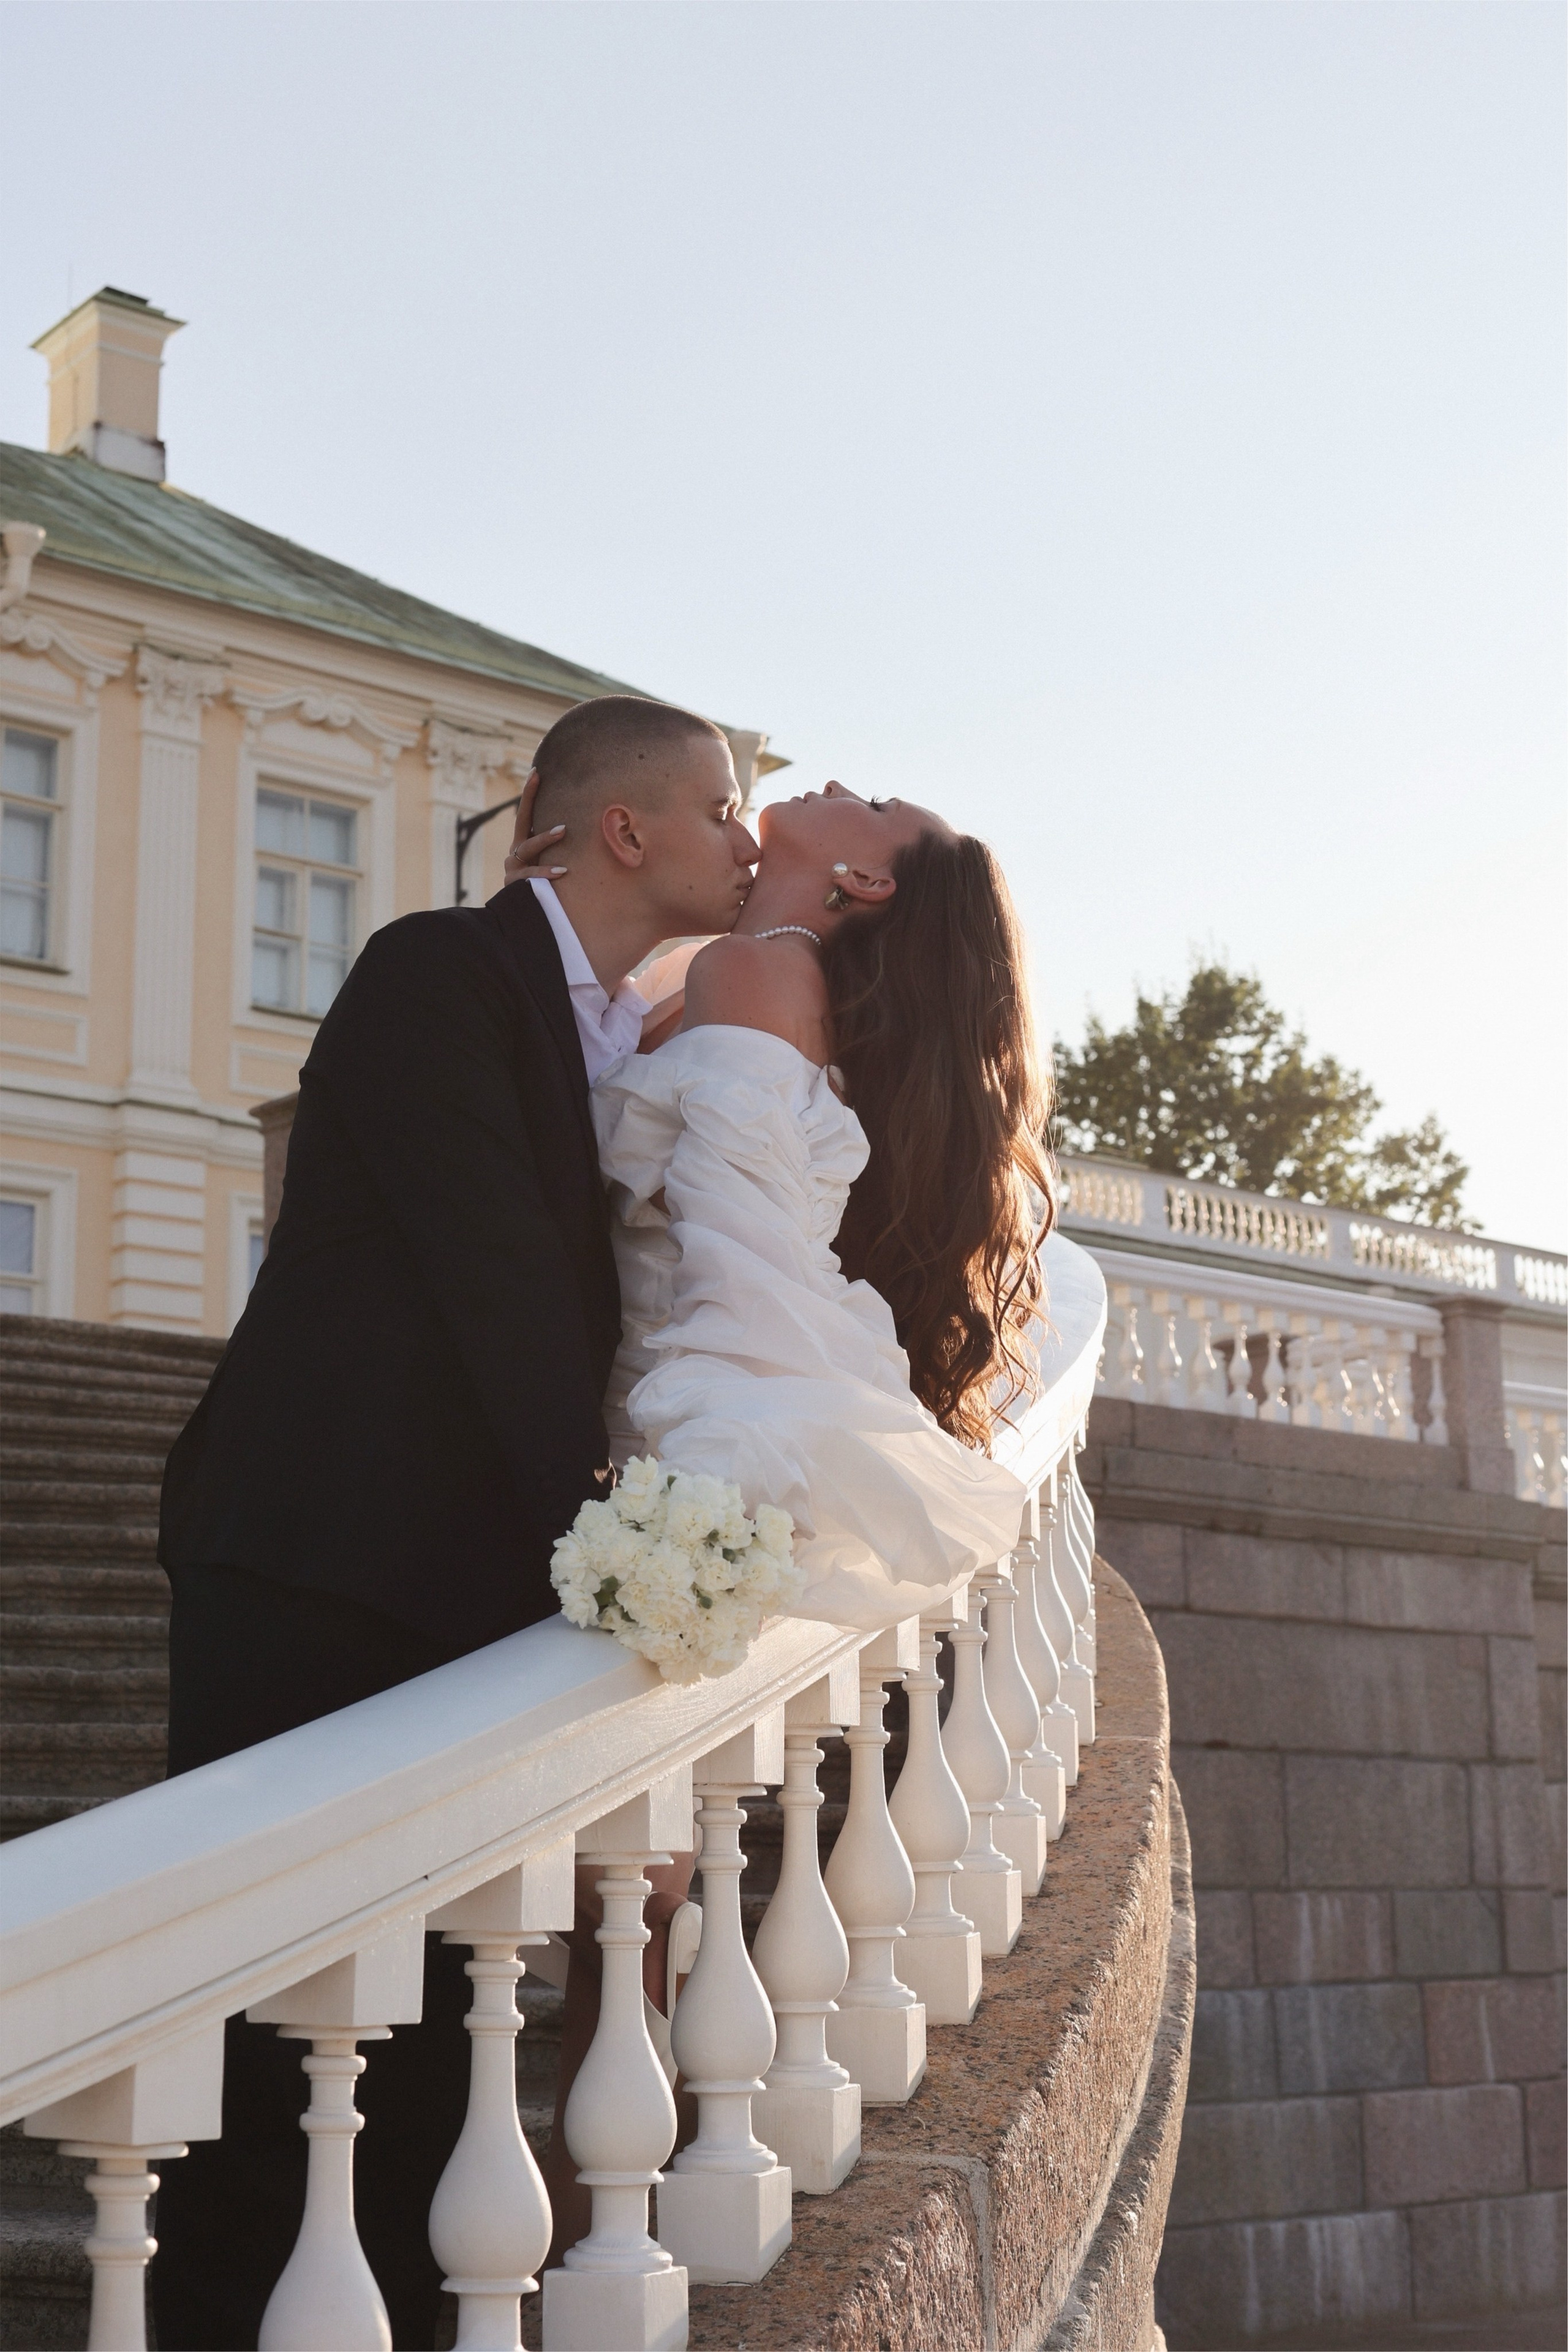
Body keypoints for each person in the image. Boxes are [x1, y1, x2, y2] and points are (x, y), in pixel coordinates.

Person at [151, 695, 758, 2352]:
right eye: (720, 808)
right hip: (313, 1565)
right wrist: (624, 1546)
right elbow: (498, 1274)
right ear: (622, 828)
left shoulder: (651, 1033)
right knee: (266, 2033)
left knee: (419, 2044)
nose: (744, 838)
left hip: (466, 1596)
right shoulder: (437, 971)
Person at [543, 779, 1055, 2254]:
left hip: (687, 1375)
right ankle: (617, 2212)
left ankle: (609, 2222)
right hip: (674, 1365)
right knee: (625, 1888)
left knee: (625, 1893)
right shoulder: (748, 973)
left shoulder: (755, 971)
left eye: (871, 802)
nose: (828, 784)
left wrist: (705, 1429)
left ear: (867, 882)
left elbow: (742, 1236)